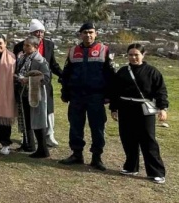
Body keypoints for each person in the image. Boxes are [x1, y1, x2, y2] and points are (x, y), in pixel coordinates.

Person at [59, 22, 115, 170]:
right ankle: (77, 154)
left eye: (91, 32)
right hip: (77, 96)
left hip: (96, 96)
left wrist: (109, 95)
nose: (88, 35)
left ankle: (97, 157)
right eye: (85, 32)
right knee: (75, 126)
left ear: (96, 33)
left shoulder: (104, 50)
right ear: (80, 34)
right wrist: (65, 92)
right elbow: (66, 74)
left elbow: (110, 75)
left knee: (97, 127)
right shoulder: (73, 51)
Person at [110, 44, 168, 184]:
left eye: (136, 54)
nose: (133, 57)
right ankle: (131, 167)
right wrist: (114, 108)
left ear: (143, 54)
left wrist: (163, 108)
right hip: (125, 107)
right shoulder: (123, 71)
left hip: (145, 108)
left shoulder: (152, 72)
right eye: (130, 55)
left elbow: (161, 91)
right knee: (128, 138)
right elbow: (115, 91)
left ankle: (156, 172)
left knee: (148, 140)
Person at [13, 19, 62, 147]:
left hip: (41, 87)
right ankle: (29, 141)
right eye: (36, 32)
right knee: (26, 115)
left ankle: (48, 136)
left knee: (46, 111)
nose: (39, 34)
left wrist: (63, 75)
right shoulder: (20, 49)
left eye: (41, 32)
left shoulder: (48, 47)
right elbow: (17, 65)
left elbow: (52, 65)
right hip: (24, 89)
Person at [15, 36, 51, 158]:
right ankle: (29, 144)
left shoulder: (40, 61)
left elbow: (46, 77)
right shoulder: (23, 58)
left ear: (35, 47)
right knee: (27, 120)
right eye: (24, 45)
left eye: (28, 46)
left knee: (37, 121)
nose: (24, 48)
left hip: (36, 94)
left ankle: (43, 149)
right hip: (24, 94)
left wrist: (28, 80)